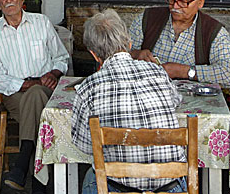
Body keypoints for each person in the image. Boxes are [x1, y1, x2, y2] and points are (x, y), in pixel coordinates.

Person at [71, 10, 186, 194]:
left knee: (91, 175)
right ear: (129, 43)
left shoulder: (88, 88)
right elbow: (175, 101)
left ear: (94, 55)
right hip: (170, 188)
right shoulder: (157, 72)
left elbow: (84, 146)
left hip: (118, 189)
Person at [0, 0, 69, 192]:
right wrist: (27, 84)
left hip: (47, 88)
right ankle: (40, 185)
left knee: (37, 93)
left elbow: (62, 57)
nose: (8, 0)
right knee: (36, 100)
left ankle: (22, 163)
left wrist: (54, 72)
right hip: (15, 95)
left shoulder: (41, 22)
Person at [128, 0, 230, 87]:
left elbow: (228, 76)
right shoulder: (147, 18)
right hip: (149, 94)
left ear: (200, 2)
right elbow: (117, 56)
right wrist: (137, 54)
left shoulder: (214, 32)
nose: (175, 6)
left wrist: (183, 71)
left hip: (195, 101)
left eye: (183, 2)